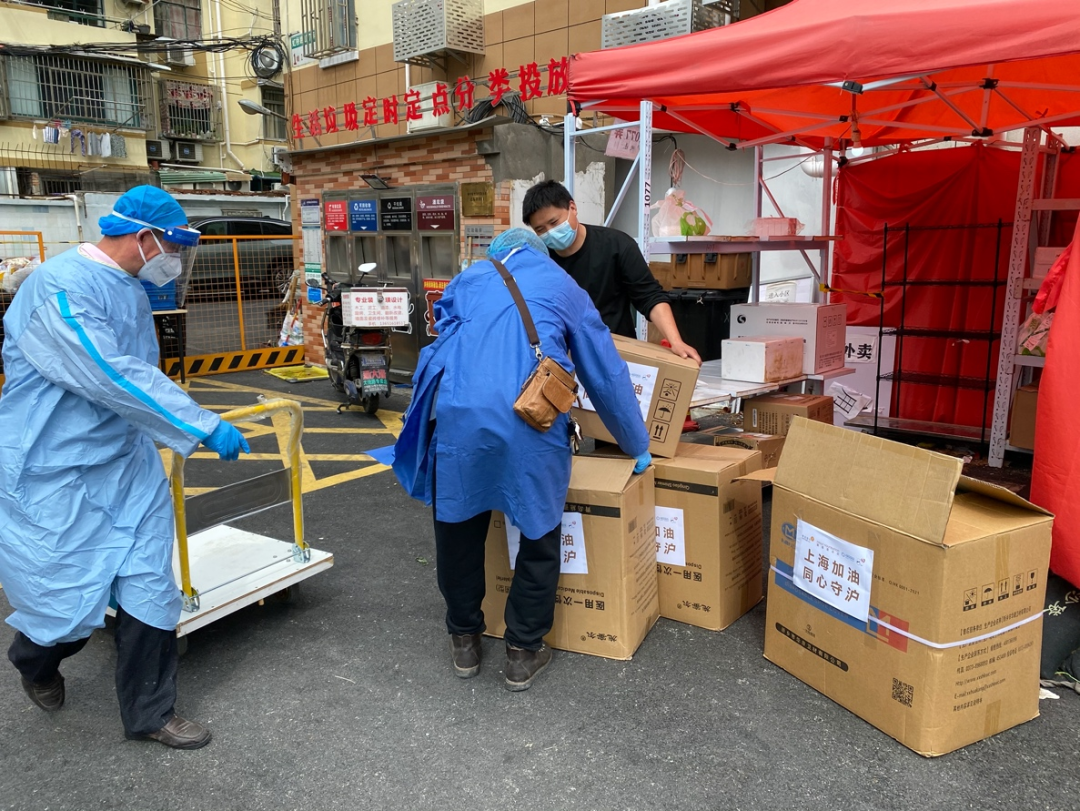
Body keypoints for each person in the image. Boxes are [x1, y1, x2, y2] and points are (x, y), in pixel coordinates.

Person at [0, 186, 250, 749]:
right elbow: (108, 373)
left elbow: (137, 375)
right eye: (174, 245)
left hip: (124, 462)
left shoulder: (129, 286)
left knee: (150, 588)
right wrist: (199, 424)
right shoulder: (59, 289)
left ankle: (150, 713)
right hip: (56, 469)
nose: (176, 258)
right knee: (64, 600)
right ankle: (35, 661)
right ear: (143, 237)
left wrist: (179, 425)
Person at [392, 228, 651, 692]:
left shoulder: (469, 279)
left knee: (457, 524)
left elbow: (443, 339)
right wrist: (636, 443)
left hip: (460, 416)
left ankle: (464, 641)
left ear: (499, 254)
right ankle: (522, 652)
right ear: (540, 253)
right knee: (538, 531)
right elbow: (605, 372)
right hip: (530, 419)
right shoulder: (564, 286)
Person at [522, 179, 702, 365]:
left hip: (617, 354)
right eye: (541, 230)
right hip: (563, 359)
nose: (550, 232)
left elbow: (650, 296)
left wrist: (676, 341)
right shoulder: (539, 261)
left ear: (572, 208)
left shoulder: (617, 246)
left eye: (554, 222)